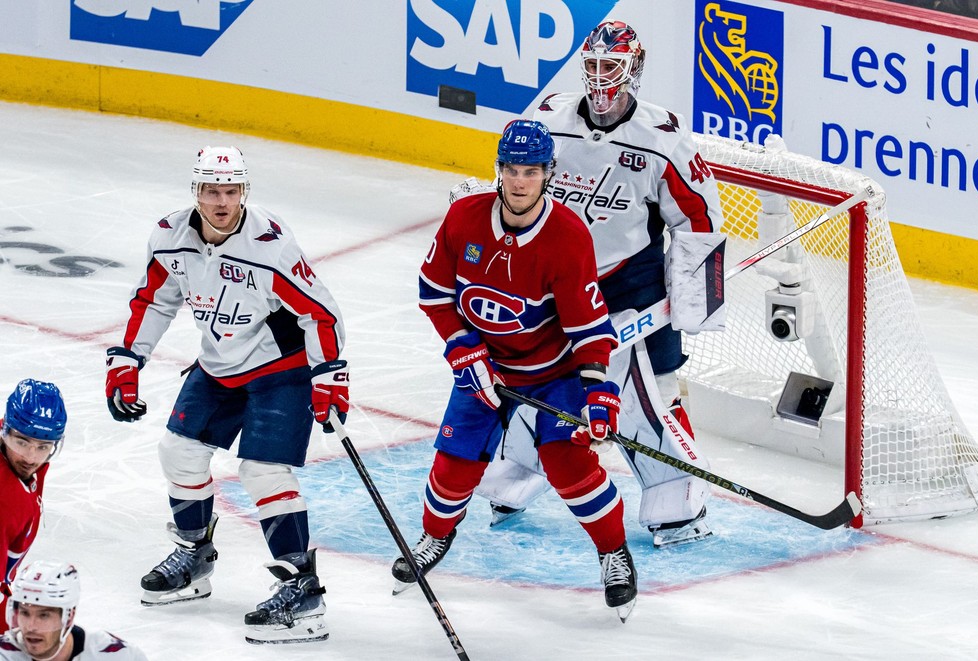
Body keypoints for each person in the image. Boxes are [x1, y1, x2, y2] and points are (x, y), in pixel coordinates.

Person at [471, 20, 727, 548]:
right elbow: (517, 190)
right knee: (537, 383)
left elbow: (699, 218)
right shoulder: (549, 121)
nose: (599, 77)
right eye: (591, 65)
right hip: (557, 288)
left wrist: (692, 301)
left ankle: (677, 498)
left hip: (632, 288)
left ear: (633, 70)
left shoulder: (663, 138)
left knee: (646, 396)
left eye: (609, 66)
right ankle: (521, 471)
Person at [104, 146, 348, 644]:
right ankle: (193, 555)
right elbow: (154, 297)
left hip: (283, 367)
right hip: (219, 363)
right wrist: (128, 358)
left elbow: (320, 313)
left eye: (231, 190)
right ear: (195, 191)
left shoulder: (269, 245)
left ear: (244, 192)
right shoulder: (171, 236)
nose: (221, 201)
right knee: (179, 450)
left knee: (262, 470)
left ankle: (302, 587)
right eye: (212, 190)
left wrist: (330, 376)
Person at [395, 119, 637, 620]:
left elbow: (590, 331)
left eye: (531, 170)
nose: (520, 180)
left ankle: (613, 552)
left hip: (554, 374)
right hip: (485, 367)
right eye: (511, 168)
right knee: (453, 466)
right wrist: (463, 349)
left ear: (548, 173)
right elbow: (434, 295)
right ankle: (433, 538)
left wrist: (598, 393)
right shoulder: (464, 219)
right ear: (498, 170)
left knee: (569, 467)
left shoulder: (567, 237)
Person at [0, 380, 67, 634]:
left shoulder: (19, 456)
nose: (30, 457)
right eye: (21, 442)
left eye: (43, 447)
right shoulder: (5, 502)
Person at [0, 560, 148, 660]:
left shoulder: (115, 655)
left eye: (44, 615)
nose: (31, 626)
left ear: (69, 617)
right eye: (25, 613)